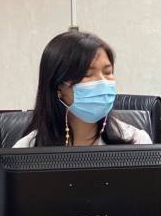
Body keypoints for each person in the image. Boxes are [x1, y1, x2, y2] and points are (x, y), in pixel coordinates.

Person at [13, 31, 151, 147]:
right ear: (58, 86)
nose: (102, 82)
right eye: (87, 74)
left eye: (108, 72)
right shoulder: (27, 149)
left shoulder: (137, 141)